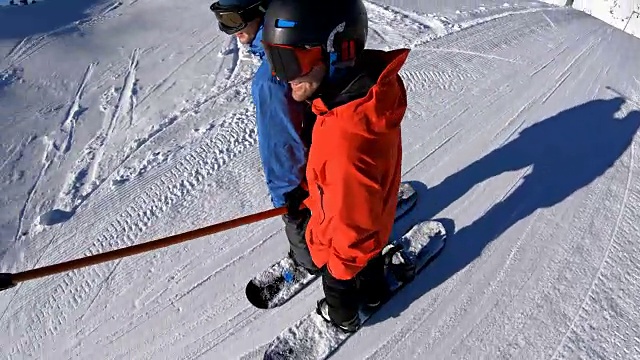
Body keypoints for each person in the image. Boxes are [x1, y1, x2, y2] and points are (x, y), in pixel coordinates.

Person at [261, 0, 412, 332]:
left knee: (348, 271)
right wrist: (309, 194)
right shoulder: (356, 103)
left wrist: (337, 278)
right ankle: (372, 293)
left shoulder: (346, 138)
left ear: (337, 51)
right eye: (274, 60)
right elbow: (350, 198)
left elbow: (350, 229)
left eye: (288, 62)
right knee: (366, 255)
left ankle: (343, 318)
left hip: (345, 249)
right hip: (371, 227)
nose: (281, 77)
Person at [209, 0, 319, 275]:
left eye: (233, 20)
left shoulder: (272, 77)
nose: (229, 30)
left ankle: (311, 260)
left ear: (260, 10)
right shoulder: (309, 34)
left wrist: (286, 195)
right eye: (221, 20)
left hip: (309, 180)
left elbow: (279, 142)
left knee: (301, 217)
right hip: (333, 158)